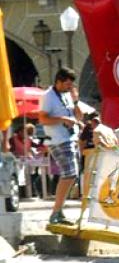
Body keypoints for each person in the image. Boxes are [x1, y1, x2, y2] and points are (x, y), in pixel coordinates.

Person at [37, 67, 84, 226]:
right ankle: (56, 212)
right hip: (58, 140)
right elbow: (43, 119)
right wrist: (62, 119)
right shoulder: (48, 96)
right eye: (67, 85)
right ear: (58, 81)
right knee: (70, 174)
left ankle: (59, 211)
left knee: (71, 174)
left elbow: (78, 116)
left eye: (71, 86)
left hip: (70, 139)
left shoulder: (67, 95)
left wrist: (76, 101)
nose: (69, 88)